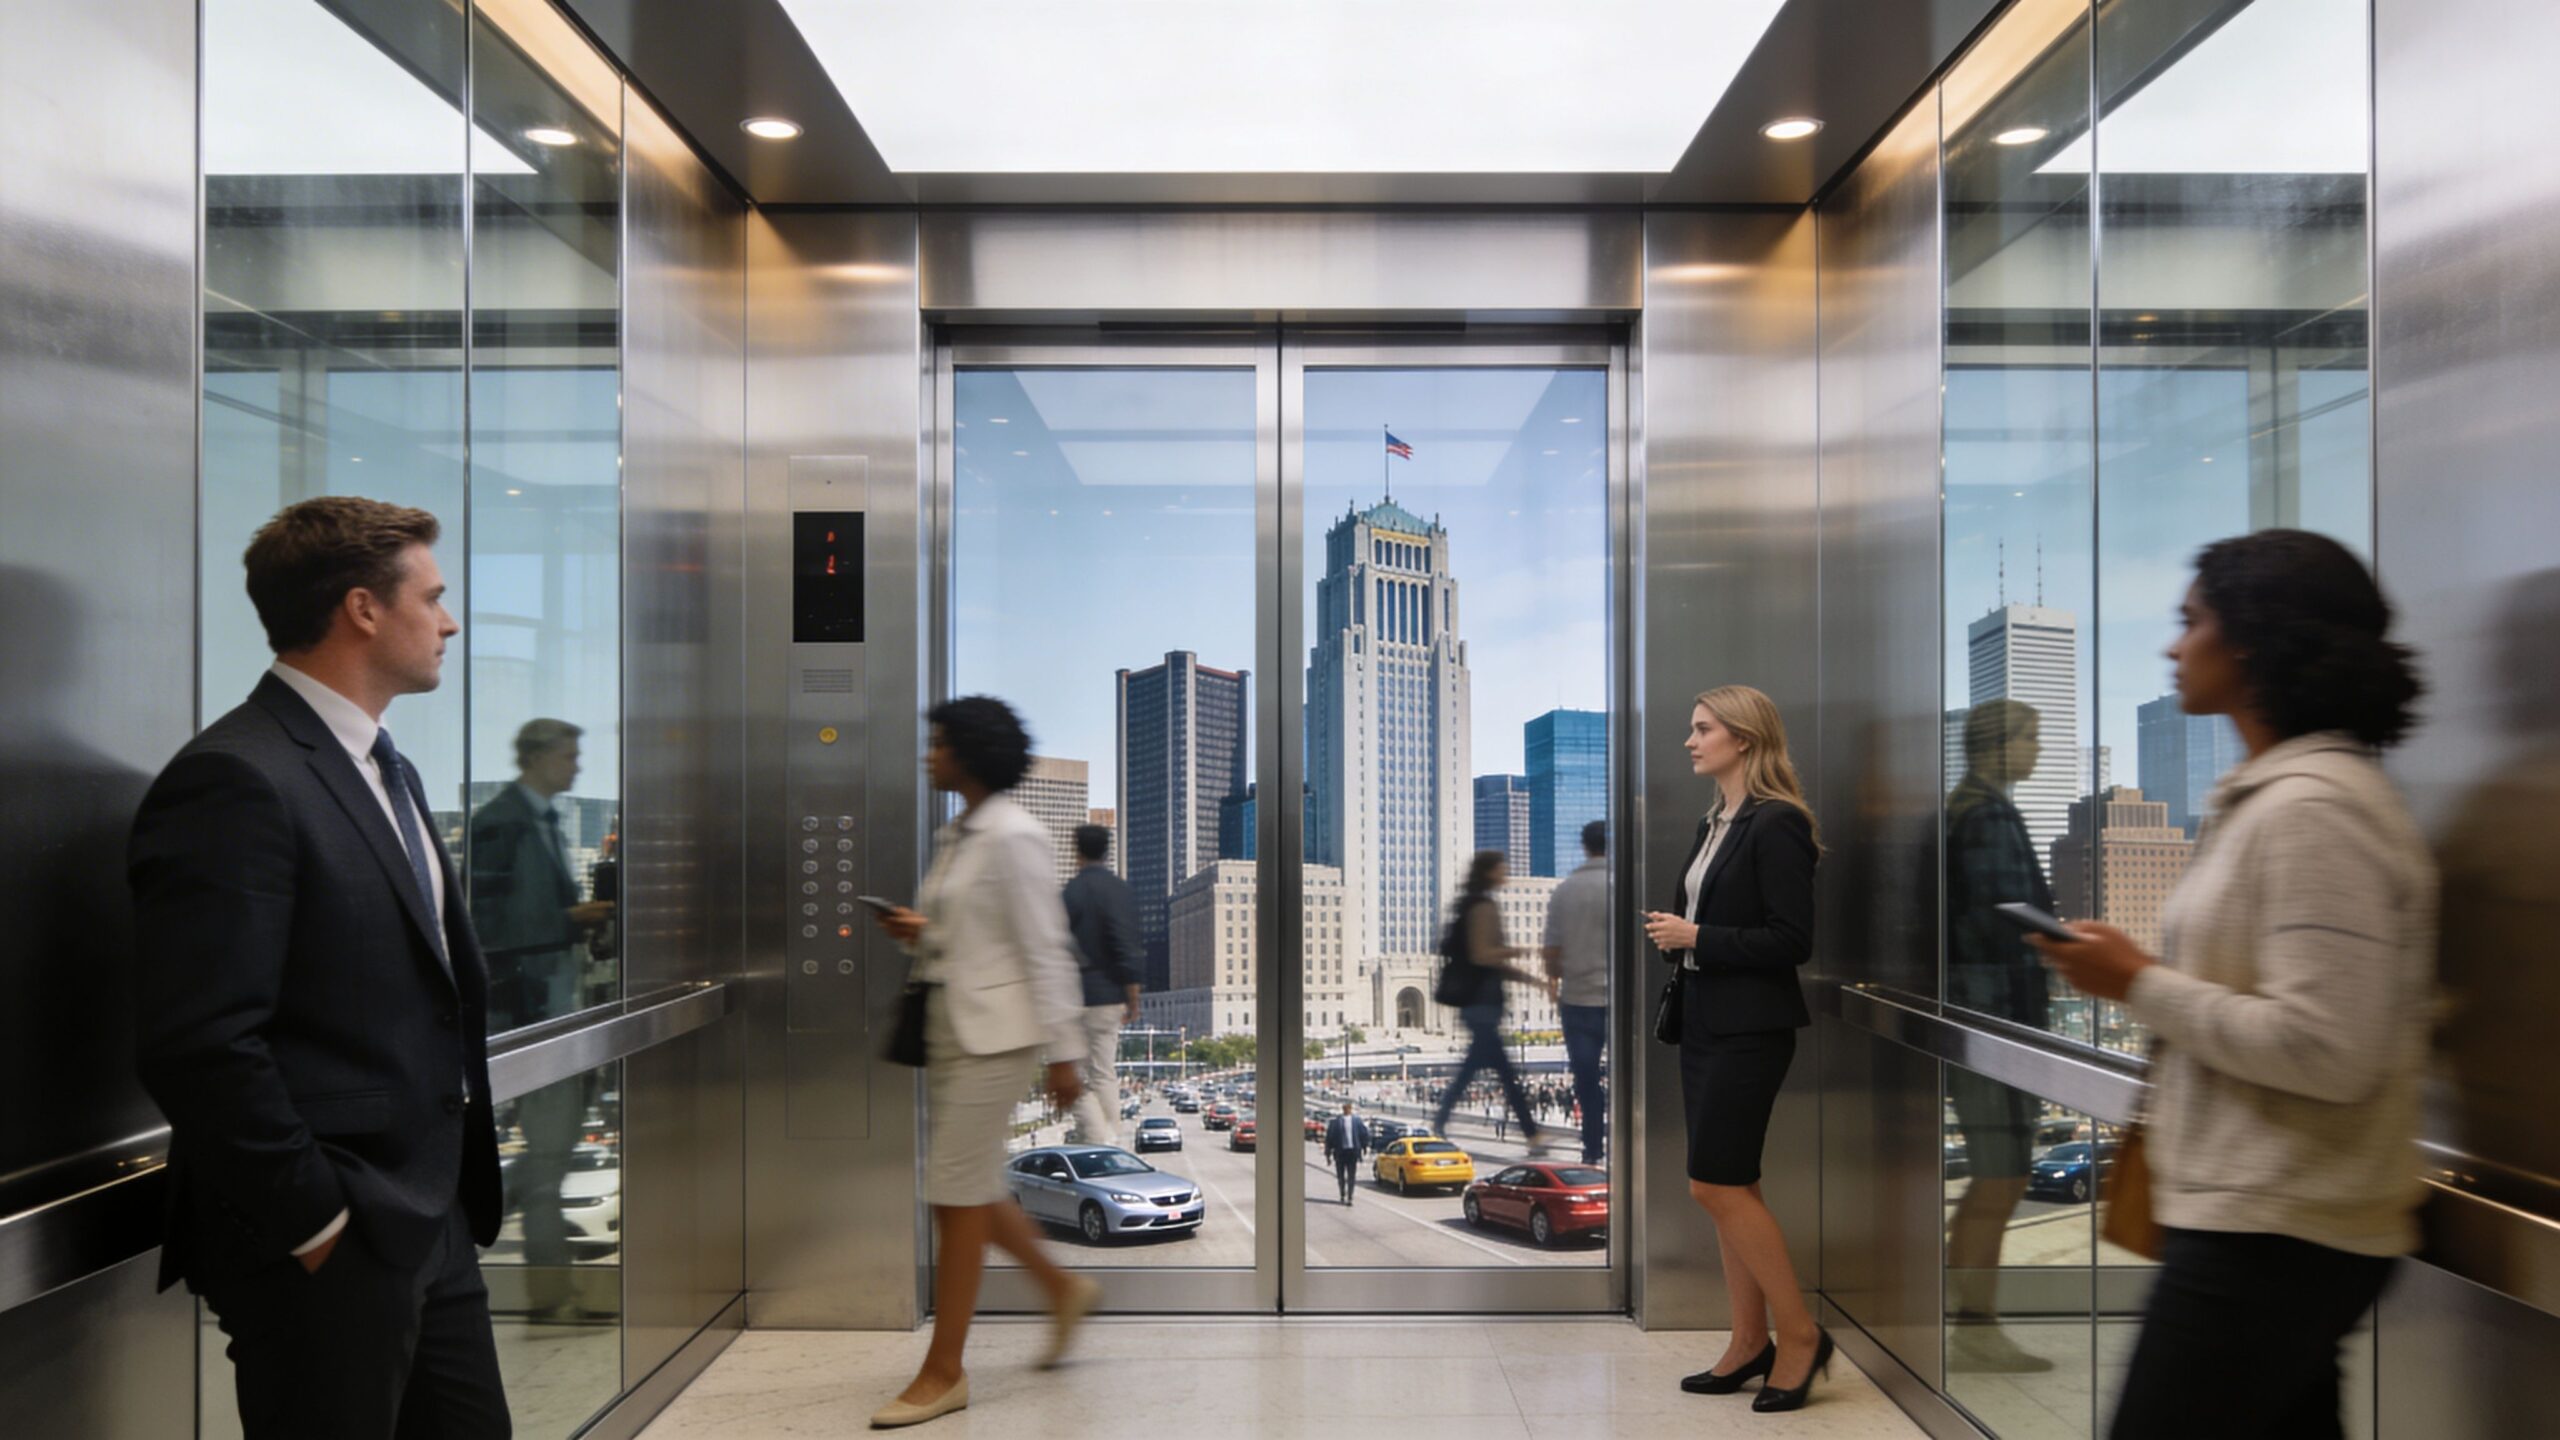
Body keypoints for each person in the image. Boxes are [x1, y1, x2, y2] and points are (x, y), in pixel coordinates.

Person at [2031, 531, 2433, 1440]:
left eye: (2192, 621)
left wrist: (2136, 981)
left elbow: (2327, 1048)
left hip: (2279, 1228)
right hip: (2274, 1216)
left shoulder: (2315, 811)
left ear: (2250, 639)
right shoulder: (2277, 798)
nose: (2174, 646)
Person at [130, 497, 506, 1437]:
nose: (450, 621)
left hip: (432, 1218)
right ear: (362, 609)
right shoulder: (238, 777)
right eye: (435, 596)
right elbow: (201, 1039)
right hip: (329, 1236)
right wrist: (317, 1224)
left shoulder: (389, 769)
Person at [869, 696, 1100, 1429]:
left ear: (968, 752)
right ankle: (1061, 1291)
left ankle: (945, 1371)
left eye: (938, 743)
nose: (928, 754)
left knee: (955, 1191)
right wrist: (920, 931)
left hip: (997, 1039)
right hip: (953, 1028)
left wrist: (1067, 1058)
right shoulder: (959, 833)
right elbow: (975, 936)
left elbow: (1045, 952)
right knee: (962, 1187)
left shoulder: (1014, 837)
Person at [1643, 684, 1830, 1412]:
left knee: (1713, 1186)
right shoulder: (1713, 823)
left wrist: (1698, 938)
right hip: (1705, 1025)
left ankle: (1802, 1337)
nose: (1690, 741)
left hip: (1751, 1033)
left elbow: (1794, 940)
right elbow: (1713, 920)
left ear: (1743, 739)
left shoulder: (1776, 823)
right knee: (1734, 1190)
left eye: (1702, 729)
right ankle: (1749, 1342)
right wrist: (1681, 934)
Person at [1941, 699, 2058, 1374]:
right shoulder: (1986, 814)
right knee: (2002, 1177)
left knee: (1999, 1177)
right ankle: (1975, 1327)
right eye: (2030, 736)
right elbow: (2001, 923)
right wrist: (2061, 940)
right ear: (1999, 743)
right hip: (1997, 1020)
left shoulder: (1970, 807)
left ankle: (1974, 1323)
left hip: (1982, 1017)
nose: (2037, 749)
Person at [469, 718, 611, 1030]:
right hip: (518, 1001)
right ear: (536, 758)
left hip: (546, 989)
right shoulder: (499, 823)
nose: (578, 768)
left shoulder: (544, 821)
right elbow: (485, 923)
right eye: (569, 757)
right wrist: (573, 918)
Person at [1428, 851, 1554, 1153]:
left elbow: (1489, 961)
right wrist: (1520, 950)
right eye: (1502, 868)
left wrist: (1532, 980)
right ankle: (1532, 1135)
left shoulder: (1476, 903)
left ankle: (1441, 1121)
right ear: (1489, 872)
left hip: (1481, 1004)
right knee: (1506, 1075)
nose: (1506, 872)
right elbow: (1483, 955)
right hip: (1482, 1004)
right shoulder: (1483, 907)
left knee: (1477, 1071)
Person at [1060, 823, 1142, 1145]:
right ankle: (1112, 1141)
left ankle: (1097, 1140)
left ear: (1076, 851)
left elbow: (1060, 945)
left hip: (1073, 997)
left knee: (1073, 1074)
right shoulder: (1121, 891)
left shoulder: (1071, 892)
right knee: (1103, 1072)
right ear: (1106, 852)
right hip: (1109, 998)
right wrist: (1132, 998)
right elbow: (1128, 948)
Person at [1542, 819, 1611, 1165]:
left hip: (1578, 1001)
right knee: (1631, 1074)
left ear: (1585, 846)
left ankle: (1592, 1150)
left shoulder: (1565, 890)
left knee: (1587, 1081)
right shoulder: (1622, 884)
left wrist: (1554, 982)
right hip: (1620, 1000)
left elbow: (1551, 953)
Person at [1324, 1101, 1370, 1205]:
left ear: (1350, 1109)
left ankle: (1350, 1197)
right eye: (1345, 1108)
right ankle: (1342, 1194)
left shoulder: (1357, 1121)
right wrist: (1328, 1154)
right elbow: (1329, 1139)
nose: (1347, 1110)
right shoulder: (1335, 1122)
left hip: (1352, 1151)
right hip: (1340, 1152)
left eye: (1348, 1108)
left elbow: (1364, 1134)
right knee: (1340, 1176)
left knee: (1351, 1176)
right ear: (1343, 1109)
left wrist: (1364, 1147)